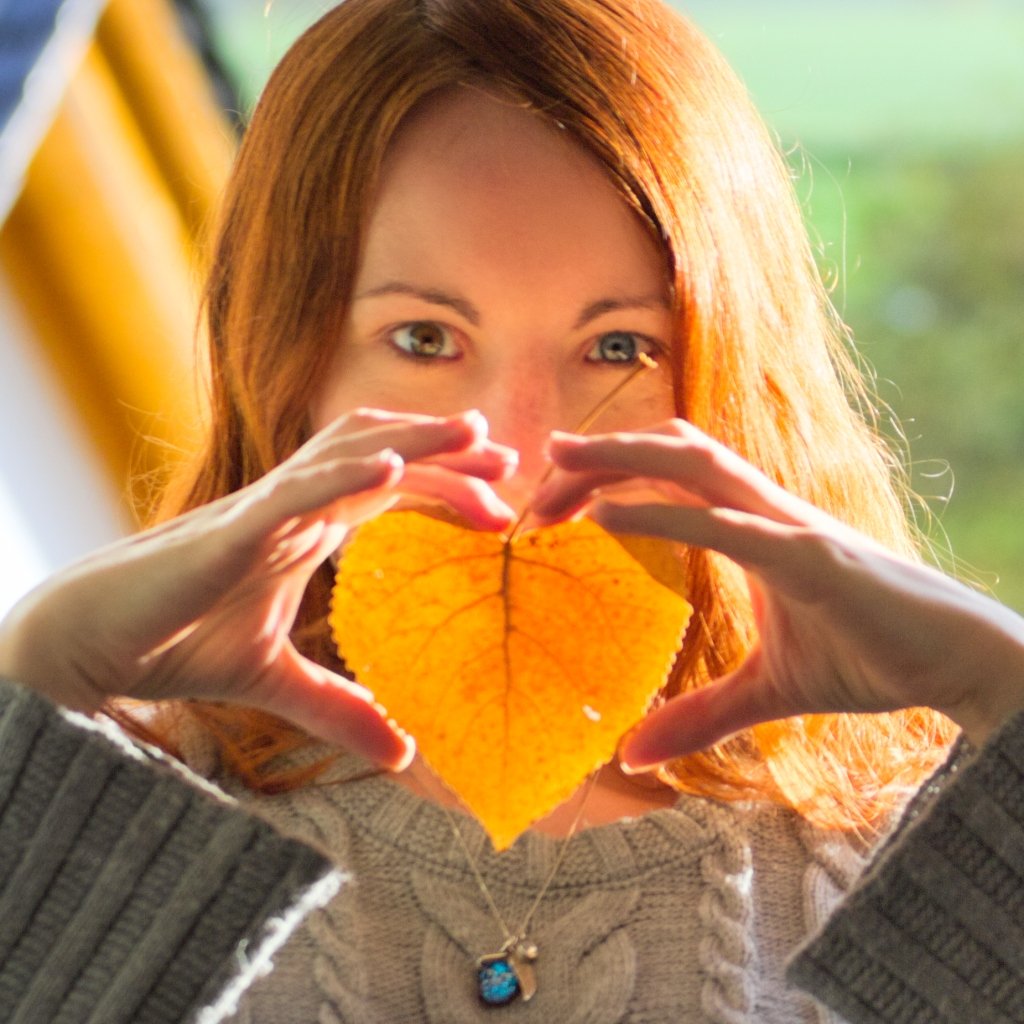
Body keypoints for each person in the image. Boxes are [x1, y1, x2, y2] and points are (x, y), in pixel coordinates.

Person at [1, 0, 1023, 1021]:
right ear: (284, 360)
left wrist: (1002, 687)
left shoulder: (920, 850)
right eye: (424, 339)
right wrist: (36, 690)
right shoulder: (106, 818)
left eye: (617, 348)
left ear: (730, 372)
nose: (522, 451)